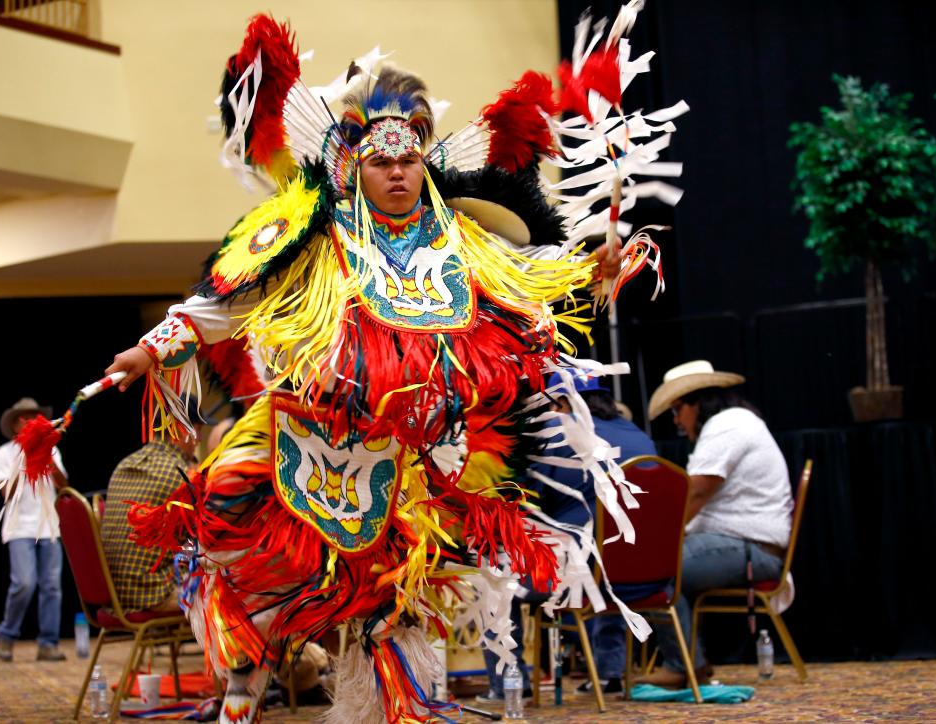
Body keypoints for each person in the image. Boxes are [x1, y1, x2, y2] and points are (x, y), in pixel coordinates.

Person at [96, 15, 666, 724]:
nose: (397, 172)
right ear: (354, 166)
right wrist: (150, 348)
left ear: (425, 160)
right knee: (224, 537)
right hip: (299, 431)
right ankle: (243, 676)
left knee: (393, 602)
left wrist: (595, 267)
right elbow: (226, 302)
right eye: (380, 161)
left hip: (398, 457)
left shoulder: (461, 240)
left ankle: (382, 706)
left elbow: (534, 276)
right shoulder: (317, 233)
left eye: (408, 160)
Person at [478, 371, 658, 699]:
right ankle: (609, 674)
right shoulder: (641, 437)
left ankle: (507, 686)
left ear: (561, 402)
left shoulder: (557, 433)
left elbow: (521, 504)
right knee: (605, 550)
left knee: (494, 574)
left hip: (582, 573)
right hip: (647, 570)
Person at [641, 360, 794, 687]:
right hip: (740, 544)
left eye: (677, 409)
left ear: (698, 401)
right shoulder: (729, 423)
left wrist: (659, 541)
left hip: (753, 550)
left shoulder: (728, 425)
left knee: (652, 567)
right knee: (654, 561)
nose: (678, 421)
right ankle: (688, 662)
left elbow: (696, 491)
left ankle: (683, 666)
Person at [100, 401, 203, 613]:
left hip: (114, 594)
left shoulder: (125, 464)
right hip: (152, 594)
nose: (198, 441)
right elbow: (207, 530)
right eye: (197, 432)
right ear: (182, 429)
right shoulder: (181, 474)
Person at [0, 398, 68, 662]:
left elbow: (63, 485)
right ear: (14, 424)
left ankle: (48, 643)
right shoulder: (4, 453)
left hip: (48, 527)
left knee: (52, 587)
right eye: (22, 417)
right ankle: (8, 634)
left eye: (32, 417)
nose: (27, 421)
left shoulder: (51, 449)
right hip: (19, 527)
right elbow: (6, 494)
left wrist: (46, 456)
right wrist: (24, 457)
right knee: (24, 583)